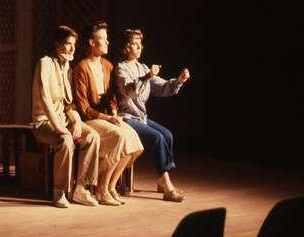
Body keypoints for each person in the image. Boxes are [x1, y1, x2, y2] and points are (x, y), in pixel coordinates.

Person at [72, 21, 143, 206]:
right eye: (102, 39)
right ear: (91, 42)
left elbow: (112, 96)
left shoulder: (108, 66)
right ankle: (101, 189)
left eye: (107, 39)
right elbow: (83, 107)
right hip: (90, 120)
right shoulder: (81, 68)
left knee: (133, 138)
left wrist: (113, 111)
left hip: (106, 117)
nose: (107, 43)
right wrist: (107, 117)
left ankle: (110, 186)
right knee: (120, 137)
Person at [116, 28, 190, 202]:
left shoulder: (142, 67)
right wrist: (146, 76)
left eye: (140, 43)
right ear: (126, 48)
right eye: (134, 44)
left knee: (167, 135)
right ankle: (167, 186)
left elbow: (161, 87)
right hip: (127, 117)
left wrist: (178, 81)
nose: (139, 47)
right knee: (157, 138)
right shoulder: (121, 68)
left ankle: (160, 181)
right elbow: (129, 91)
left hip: (141, 118)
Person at [32, 25, 100, 208]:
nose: (72, 48)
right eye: (68, 44)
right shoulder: (45, 63)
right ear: (57, 44)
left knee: (92, 136)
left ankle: (80, 188)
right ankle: (59, 192)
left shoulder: (67, 67)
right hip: (44, 122)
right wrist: (60, 127)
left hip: (63, 120)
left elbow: (68, 103)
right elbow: (45, 99)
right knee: (66, 140)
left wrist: (76, 121)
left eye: (74, 45)